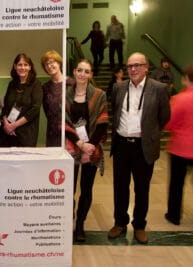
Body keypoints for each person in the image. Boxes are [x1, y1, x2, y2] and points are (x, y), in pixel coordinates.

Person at [108, 52, 170, 244]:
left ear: (146, 67)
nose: (133, 69)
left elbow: (164, 117)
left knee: (142, 190)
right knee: (120, 187)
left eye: (137, 65)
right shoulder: (118, 87)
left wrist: (150, 133)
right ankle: (119, 222)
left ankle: (140, 225)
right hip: (121, 146)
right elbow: (115, 111)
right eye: (129, 66)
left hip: (143, 147)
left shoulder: (159, 89)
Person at [62, 59, 108, 242]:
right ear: (74, 72)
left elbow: (103, 122)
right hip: (72, 147)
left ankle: (80, 224)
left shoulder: (100, 94)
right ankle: (68, 220)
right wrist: (80, 143)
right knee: (69, 189)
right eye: (79, 70)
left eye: (86, 71)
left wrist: (90, 146)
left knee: (86, 189)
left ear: (91, 75)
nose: (82, 74)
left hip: (92, 148)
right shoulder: (66, 95)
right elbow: (64, 123)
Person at [164, 63, 193, 226]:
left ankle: (174, 215)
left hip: (180, 148)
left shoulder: (180, 98)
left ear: (188, 79)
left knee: (177, 184)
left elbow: (168, 123)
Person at [1, 53, 43, 147]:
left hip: (27, 134)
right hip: (9, 133)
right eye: (19, 64)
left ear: (30, 67)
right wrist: (6, 124)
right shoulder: (11, 84)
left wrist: (14, 125)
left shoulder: (36, 84)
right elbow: (5, 106)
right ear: (15, 66)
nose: (22, 67)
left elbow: (35, 109)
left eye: (25, 65)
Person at [41, 50, 75, 147]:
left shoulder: (72, 84)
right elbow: (47, 110)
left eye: (52, 62)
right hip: (52, 132)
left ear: (59, 63)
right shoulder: (45, 87)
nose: (49, 66)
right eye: (46, 64)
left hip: (70, 130)